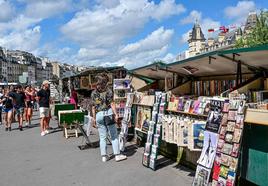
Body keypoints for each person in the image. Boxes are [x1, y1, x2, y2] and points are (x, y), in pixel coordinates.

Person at [91, 73, 127, 162]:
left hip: (99, 115)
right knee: (114, 136)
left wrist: (94, 118)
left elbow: (93, 107)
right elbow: (112, 103)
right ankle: (117, 155)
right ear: (105, 82)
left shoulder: (93, 93)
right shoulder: (108, 91)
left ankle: (104, 156)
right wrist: (116, 114)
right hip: (108, 114)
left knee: (102, 137)